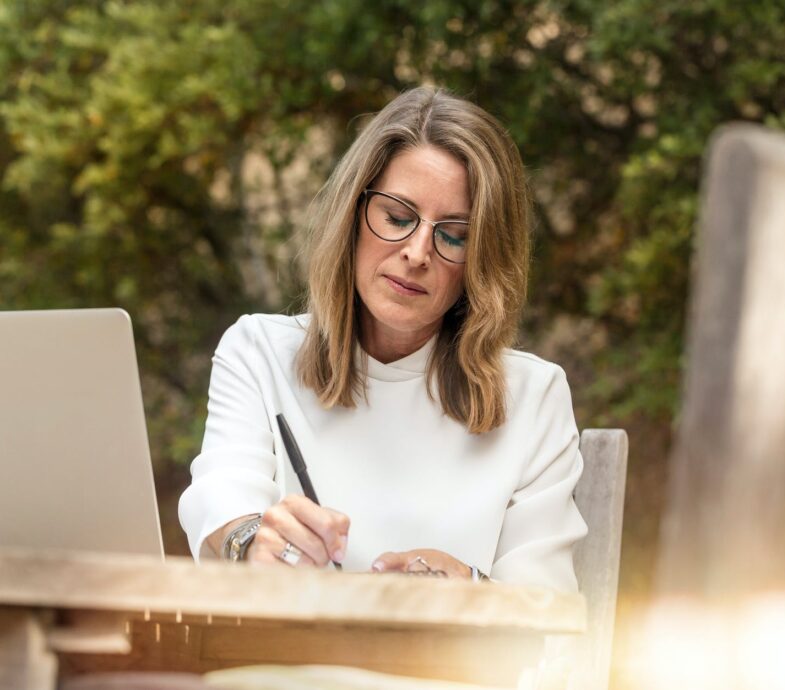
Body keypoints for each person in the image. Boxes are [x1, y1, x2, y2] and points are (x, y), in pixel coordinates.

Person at [178, 87, 587, 591]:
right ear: (354, 213)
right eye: (397, 217)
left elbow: (547, 609)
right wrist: (251, 540)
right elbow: (224, 496)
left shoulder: (534, 396)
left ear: (482, 259)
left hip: (448, 667)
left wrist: (473, 589)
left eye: (454, 235)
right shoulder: (259, 352)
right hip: (281, 663)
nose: (417, 253)